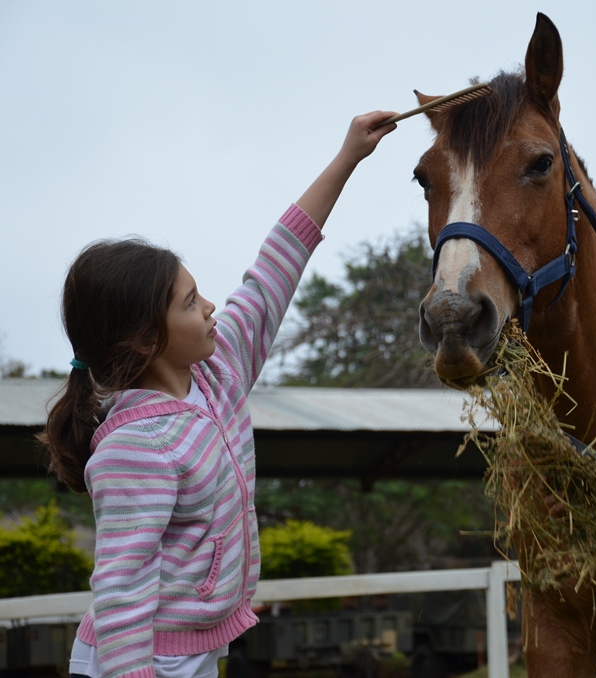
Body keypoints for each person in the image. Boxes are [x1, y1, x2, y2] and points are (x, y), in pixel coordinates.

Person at [38, 109, 397, 678]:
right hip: (142, 661)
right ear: (144, 339)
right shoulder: (134, 448)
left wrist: (348, 156)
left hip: (193, 651)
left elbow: (274, 269)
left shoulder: (218, 373)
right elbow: (121, 594)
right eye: (188, 301)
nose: (210, 307)